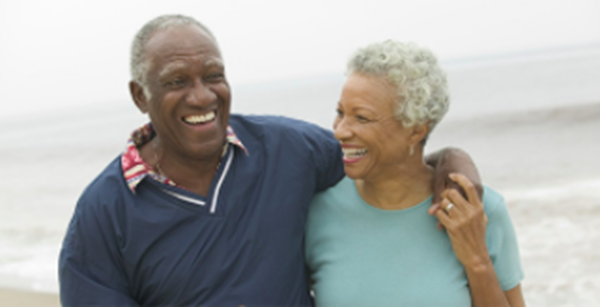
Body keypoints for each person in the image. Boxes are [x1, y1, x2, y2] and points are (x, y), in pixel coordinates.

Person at [59, 15, 482, 306]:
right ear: (140, 96)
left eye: (213, 75)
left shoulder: (288, 149)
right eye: (176, 82)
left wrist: (455, 163)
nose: (202, 96)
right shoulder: (103, 213)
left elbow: (384, 158)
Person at [305, 40, 526, 306]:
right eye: (340, 113)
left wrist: (477, 260)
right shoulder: (315, 211)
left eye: (362, 118)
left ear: (416, 130)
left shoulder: (477, 211)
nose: (341, 130)